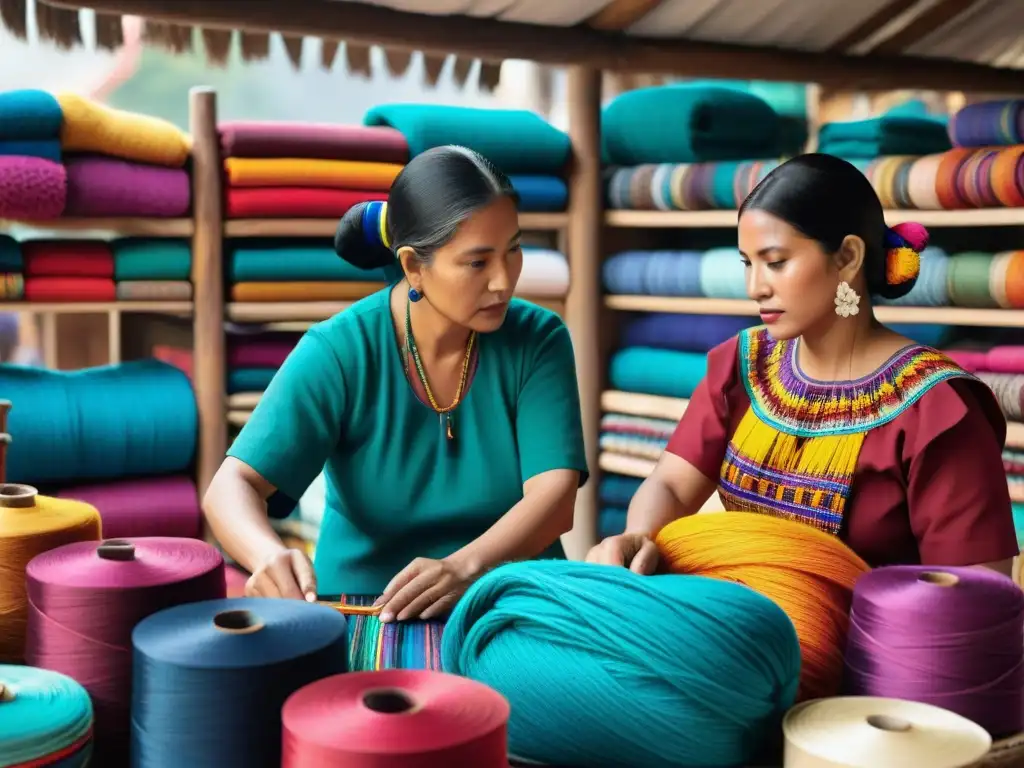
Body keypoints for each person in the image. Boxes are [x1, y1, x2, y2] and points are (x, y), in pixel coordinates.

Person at [204, 145, 588, 670]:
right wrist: (267, 555)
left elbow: (556, 497)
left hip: (511, 595)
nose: (505, 280)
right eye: (478, 262)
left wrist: (466, 569)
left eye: (514, 250)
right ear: (413, 267)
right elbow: (231, 486)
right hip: (366, 609)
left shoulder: (539, 339)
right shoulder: (339, 350)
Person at [587, 153, 1018, 578]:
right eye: (747, 263)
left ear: (848, 257)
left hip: (871, 646)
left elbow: (976, 590)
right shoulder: (744, 366)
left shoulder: (937, 410)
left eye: (775, 262)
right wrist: (639, 534)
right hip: (744, 629)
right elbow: (672, 484)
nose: (755, 287)